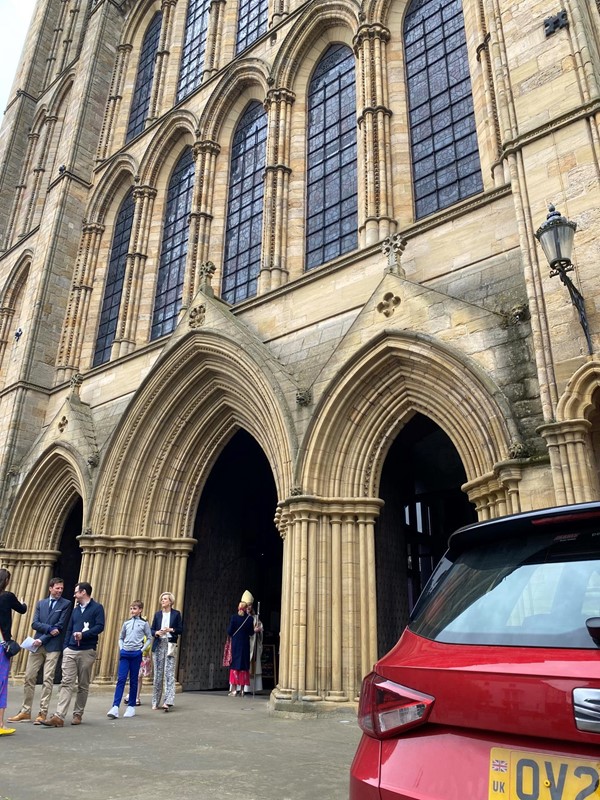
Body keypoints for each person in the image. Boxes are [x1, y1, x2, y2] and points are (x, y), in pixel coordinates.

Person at [8, 577, 72, 725]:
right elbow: (34, 623)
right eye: (57, 588)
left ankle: (42, 713)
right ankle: (25, 711)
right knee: (29, 676)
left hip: (52, 646)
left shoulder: (66, 604)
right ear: (50, 588)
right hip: (36, 645)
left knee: (48, 679)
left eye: (61, 588)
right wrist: (49, 630)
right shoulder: (41, 603)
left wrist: (42, 638)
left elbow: (60, 626)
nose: (60, 591)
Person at [40, 581, 105, 728]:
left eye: (76, 592)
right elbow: (69, 628)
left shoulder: (97, 608)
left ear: (83, 592)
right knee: (66, 683)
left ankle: (78, 713)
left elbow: (100, 627)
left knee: (83, 684)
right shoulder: (75, 610)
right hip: (71, 649)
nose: (74, 594)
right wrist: (66, 647)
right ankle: (59, 716)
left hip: (87, 650)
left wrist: (84, 635)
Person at [107, 600, 153, 719]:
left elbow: (149, 638)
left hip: (136, 654)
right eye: (131, 608)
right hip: (125, 653)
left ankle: (131, 706)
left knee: (134, 680)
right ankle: (115, 706)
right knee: (121, 679)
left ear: (140, 610)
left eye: (135, 608)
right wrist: (122, 648)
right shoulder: (126, 623)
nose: (132, 611)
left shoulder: (144, 623)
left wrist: (141, 650)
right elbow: (121, 637)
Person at [0, 568, 27, 735]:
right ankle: (0, 725)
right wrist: (24, 603)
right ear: (6, 581)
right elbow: (22, 610)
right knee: (1, 684)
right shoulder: (7, 596)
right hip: (2, 644)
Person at [150, 592, 182, 712]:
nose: (162, 601)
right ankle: (155, 701)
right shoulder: (157, 615)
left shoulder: (176, 614)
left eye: (165, 599)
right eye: (162, 599)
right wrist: (156, 633)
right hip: (159, 644)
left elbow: (180, 629)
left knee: (169, 673)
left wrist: (171, 629)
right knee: (158, 674)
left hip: (170, 644)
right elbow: (152, 629)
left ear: (170, 601)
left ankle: (168, 701)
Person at [226, 601, 256, 697]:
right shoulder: (250, 619)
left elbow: (230, 632)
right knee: (243, 666)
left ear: (238, 608)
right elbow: (251, 633)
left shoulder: (234, 618)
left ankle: (234, 690)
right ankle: (242, 690)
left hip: (235, 645)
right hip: (245, 645)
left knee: (235, 666)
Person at [239, 590, 263, 694]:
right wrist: (253, 630)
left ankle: (250, 687)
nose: (248, 607)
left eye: (250, 605)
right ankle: (239, 687)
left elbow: (260, 627)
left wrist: (259, 628)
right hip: (243, 644)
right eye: (247, 605)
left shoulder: (254, 618)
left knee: (252, 665)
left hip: (252, 645)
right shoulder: (238, 618)